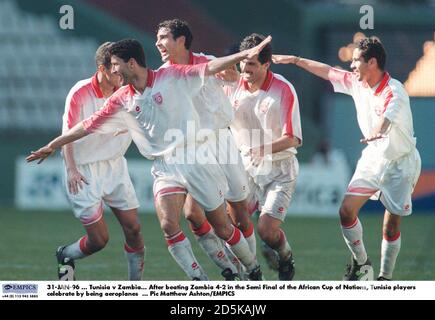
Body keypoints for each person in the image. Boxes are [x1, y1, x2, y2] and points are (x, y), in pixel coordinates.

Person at [27, 37, 271, 280]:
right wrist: (53, 145)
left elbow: (209, 68)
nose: (113, 70)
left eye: (115, 64)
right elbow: (87, 125)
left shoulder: (172, 76)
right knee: (168, 225)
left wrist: (243, 55)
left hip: (195, 158)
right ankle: (201, 283)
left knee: (223, 227)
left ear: (131, 63)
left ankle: (252, 269)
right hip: (164, 166)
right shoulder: (122, 98)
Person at [273, 37, 421, 280]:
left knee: (391, 225)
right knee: (346, 211)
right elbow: (327, 71)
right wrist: (296, 60)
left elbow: (388, 115)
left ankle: (385, 278)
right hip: (373, 158)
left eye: (355, 60)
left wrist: (379, 130)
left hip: (400, 164)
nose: (351, 65)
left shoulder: (395, 90)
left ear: (372, 62)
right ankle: (363, 264)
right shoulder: (356, 83)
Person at [155, 19, 256, 280]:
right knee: (193, 215)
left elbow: (234, 81)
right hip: (190, 149)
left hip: (220, 143)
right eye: (156, 38)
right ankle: (230, 271)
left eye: (164, 37)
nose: (158, 43)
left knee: (240, 216)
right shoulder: (162, 75)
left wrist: (233, 75)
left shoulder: (208, 62)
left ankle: (250, 272)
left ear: (181, 40)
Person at [57, 42, 145, 280]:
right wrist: (72, 169)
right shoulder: (80, 91)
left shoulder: (128, 90)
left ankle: (135, 289)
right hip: (84, 170)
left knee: (134, 229)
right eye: (113, 67)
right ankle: (66, 253)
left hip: (115, 166)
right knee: (99, 240)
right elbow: (67, 134)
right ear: (101, 67)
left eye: (120, 66)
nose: (119, 72)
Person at [226, 34, 303, 280]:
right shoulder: (232, 85)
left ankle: (285, 255)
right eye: (243, 64)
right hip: (246, 168)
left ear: (266, 64)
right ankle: (249, 272)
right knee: (232, 223)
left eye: (252, 65)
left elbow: (293, 139)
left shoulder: (283, 89)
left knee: (266, 230)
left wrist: (263, 148)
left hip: (279, 169)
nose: (245, 70)